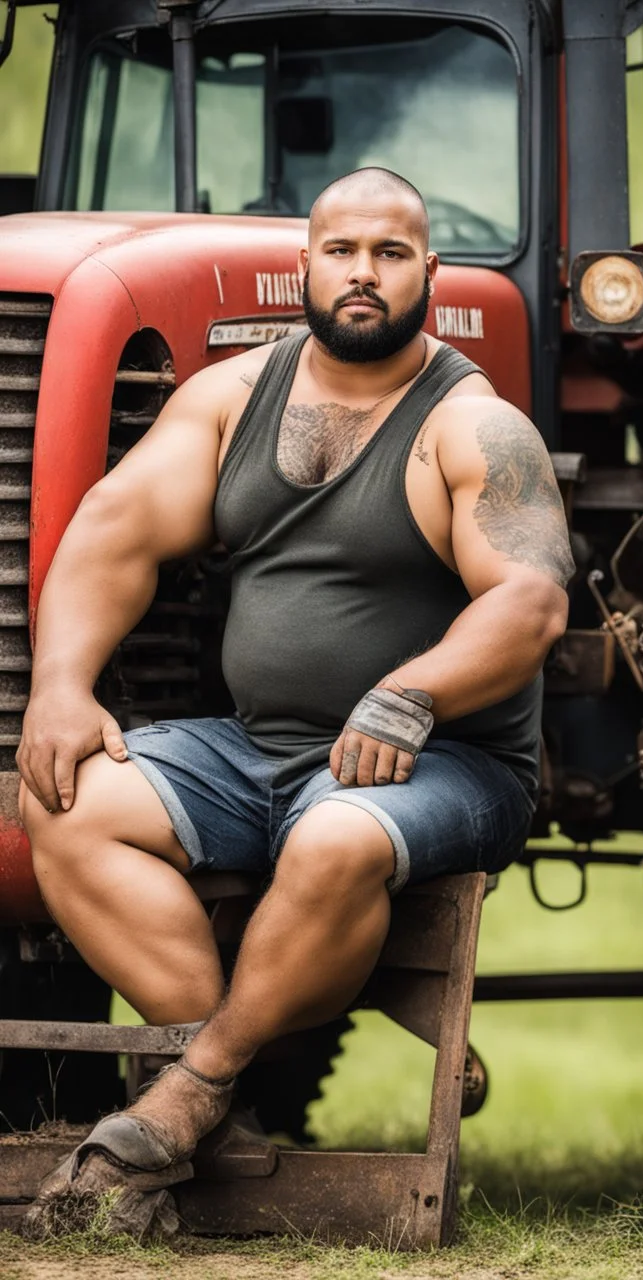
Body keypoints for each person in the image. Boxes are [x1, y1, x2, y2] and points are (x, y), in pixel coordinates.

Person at [17, 168, 573, 1203]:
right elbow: (111, 533)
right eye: (343, 251)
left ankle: (186, 1093)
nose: (365, 274)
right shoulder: (233, 396)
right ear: (303, 266)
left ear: (429, 274)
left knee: (336, 835)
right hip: (256, 747)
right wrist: (60, 683)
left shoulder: (474, 423)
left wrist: (410, 691)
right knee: (66, 797)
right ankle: (218, 1073)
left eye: (392, 253)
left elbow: (531, 603)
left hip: (445, 759)